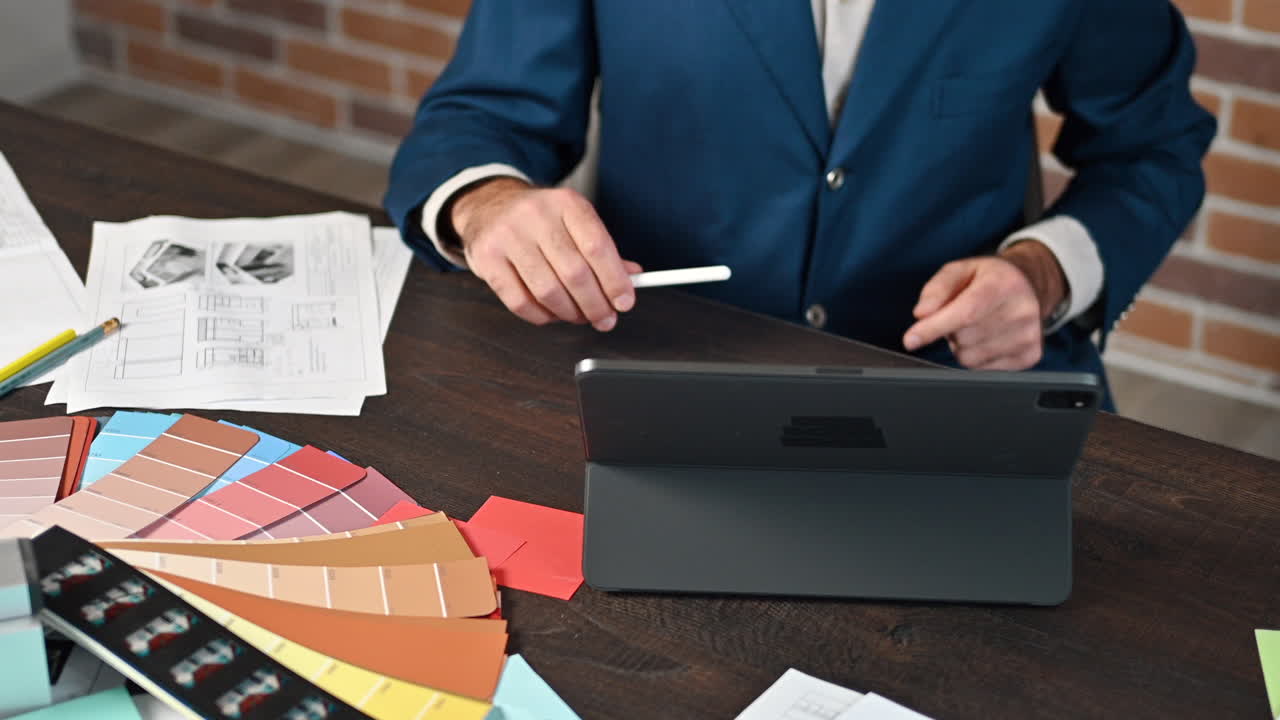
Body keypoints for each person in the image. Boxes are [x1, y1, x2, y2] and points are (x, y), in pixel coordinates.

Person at [386, 0, 1215, 404]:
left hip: (954, 392)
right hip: (658, 378)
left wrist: (1043, 273)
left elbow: (1153, 145)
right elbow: (480, 116)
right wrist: (489, 203)